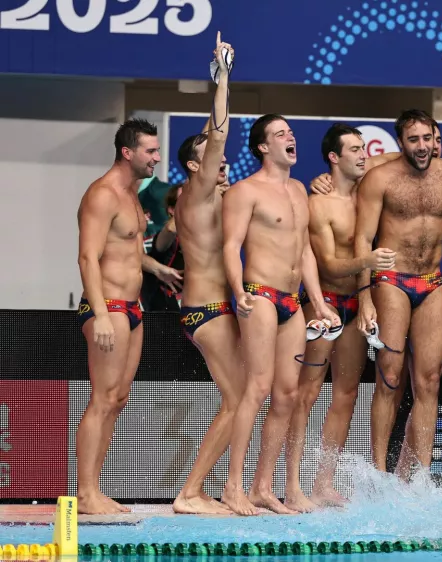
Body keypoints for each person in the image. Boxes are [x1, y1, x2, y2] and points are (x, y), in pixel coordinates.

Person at [221, 113, 341, 516]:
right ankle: (232, 486)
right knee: (257, 388)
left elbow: (305, 250)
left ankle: (262, 486)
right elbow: (231, 245)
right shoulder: (245, 191)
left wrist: (320, 301)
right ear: (262, 146)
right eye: (279, 134)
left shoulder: (299, 192)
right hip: (260, 296)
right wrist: (238, 292)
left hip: (292, 301)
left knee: (287, 395)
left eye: (290, 132)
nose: (290, 137)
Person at [284, 123, 396, 511]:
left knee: (346, 395)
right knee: (306, 394)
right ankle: (293, 483)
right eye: (354, 149)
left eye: (364, 148)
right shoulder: (320, 204)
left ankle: (323, 483)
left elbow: (394, 156)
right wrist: (367, 260)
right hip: (324, 305)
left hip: (354, 307)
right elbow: (330, 266)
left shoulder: (367, 197)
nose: (363, 154)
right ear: (334, 157)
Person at [354, 109, 442, 474]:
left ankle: (418, 474)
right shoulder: (379, 179)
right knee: (389, 375)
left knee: (430, 380)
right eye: (414, 139)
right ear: (400, 143)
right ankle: (379, 472)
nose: (422, 146)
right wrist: (365, 297)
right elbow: (362, 240)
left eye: (428, 138)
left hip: (432, 282)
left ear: (436, 139)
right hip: (391, 280)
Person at [170, 34, 243, 515]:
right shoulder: (193, 196)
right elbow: (214, 137)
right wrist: (223, 79)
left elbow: (206, 137)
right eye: (209, 158)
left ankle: (202, 489)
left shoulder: (214, 195)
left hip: (215, 309)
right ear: (196, 167)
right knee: (237, 401)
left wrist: (214, 73)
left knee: (240, 399)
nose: (219, 161)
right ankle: (191, 492)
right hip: (207, 311)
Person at [75, 117, 162, 515]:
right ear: (127, 152)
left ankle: (95, 489)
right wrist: (101, 314)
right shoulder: (103, 194)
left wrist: (159, 270)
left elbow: (128, 249)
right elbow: (88, 257)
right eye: (150, 151)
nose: (156, 158)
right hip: (106, 305)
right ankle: (86, 493)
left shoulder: (133, 194)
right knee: (103, 397)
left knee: (118, 399)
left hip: (132, 306)